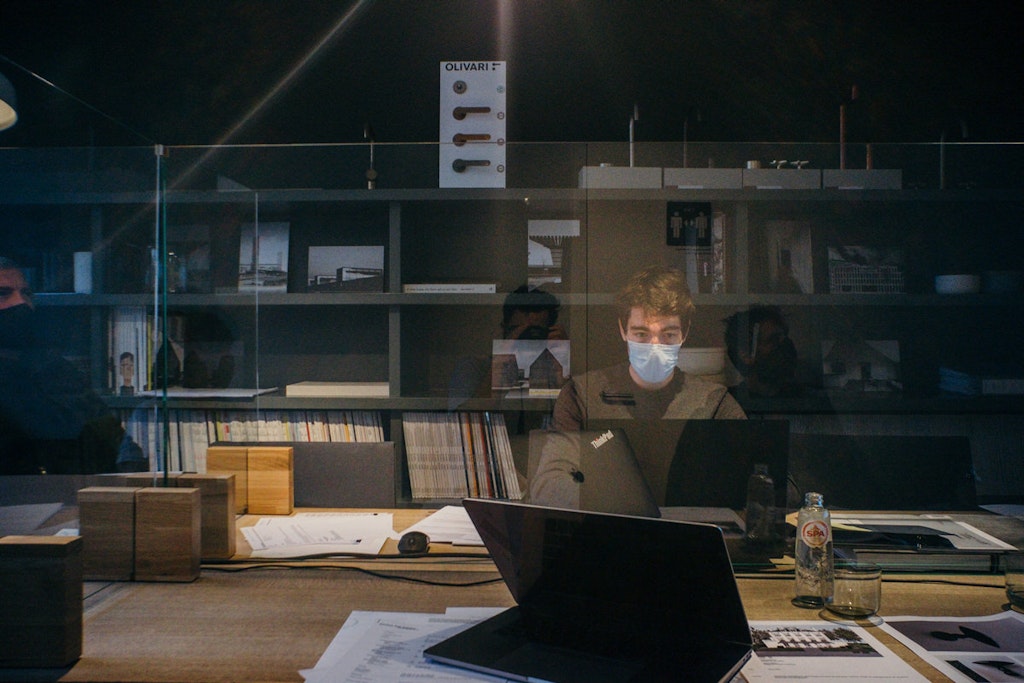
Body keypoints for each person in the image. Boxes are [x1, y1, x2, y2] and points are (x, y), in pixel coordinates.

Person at [552, 264, 745, 430]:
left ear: (684, 333)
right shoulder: (582, 397)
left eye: (668, 335)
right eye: (641, 334)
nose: (655, 347)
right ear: (623, 330)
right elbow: (559, 461)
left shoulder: (714, 404)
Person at [0, 257, 145, 474]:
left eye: (26, 293)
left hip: (75, 490)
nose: (20, 303)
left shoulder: (54, 369)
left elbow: (121, 447)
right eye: (3, 293)